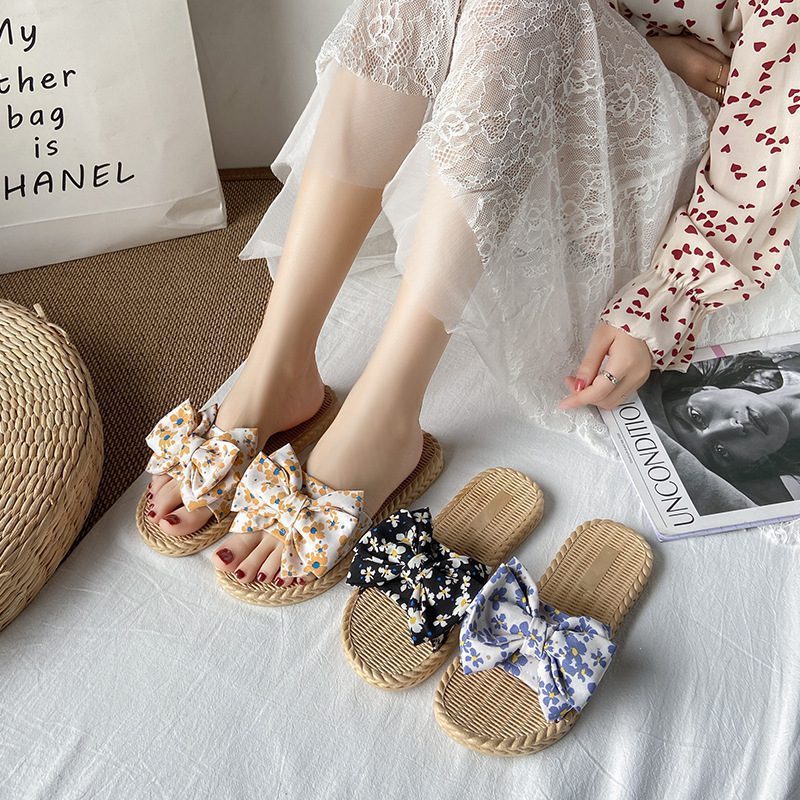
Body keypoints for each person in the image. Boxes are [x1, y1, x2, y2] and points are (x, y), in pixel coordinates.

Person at [145, 0, 800, 585]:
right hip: (527, 85)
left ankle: (387, 408)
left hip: (694, 158)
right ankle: (278, 363)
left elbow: (769, 132)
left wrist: (666, 295)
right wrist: (650, 47)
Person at [640, 348, 800, 513]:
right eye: (721, 451)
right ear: (754, 462)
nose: (733, 427)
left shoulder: (779, 349)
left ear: (703, 389)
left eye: (696, 417)